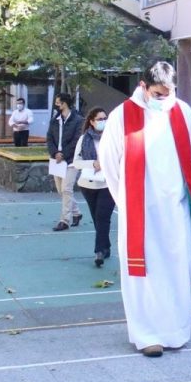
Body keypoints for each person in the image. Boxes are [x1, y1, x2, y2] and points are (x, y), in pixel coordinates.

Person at [99, 61, 191, 357]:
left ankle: (176, 331)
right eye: (159, 94)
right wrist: (125, 201)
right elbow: (110, 162)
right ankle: (146, 334)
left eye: (169, 93)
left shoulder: (183, 111)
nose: (165, 99)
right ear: (143, 87)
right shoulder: (122, 115)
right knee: (144, 272)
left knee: (178, 266)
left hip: (175, 207)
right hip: (140, 209)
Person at [72, 107, 114, 268]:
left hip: (107, 183)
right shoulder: (84, 139)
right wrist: (93, 163)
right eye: (99, 119)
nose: (103, 121)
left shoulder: (113, 138)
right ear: (91, 121)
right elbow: (76, 162)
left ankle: (99, 251)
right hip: (88, 184)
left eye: (105, 118)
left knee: (103, 216)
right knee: (97, 218)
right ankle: (106, 245)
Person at [46, 92, 84, 231]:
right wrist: (55, 153)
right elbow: (49, 138)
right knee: (61, 191)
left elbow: (77, 141)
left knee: (66, 189)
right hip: (57, 160)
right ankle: (77, 213)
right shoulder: (54, 120)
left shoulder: (78, 120)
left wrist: (64, 154)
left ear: (64, 104)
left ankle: (64, 220)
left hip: (72, 160)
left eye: (58, 103)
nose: (56, 106)